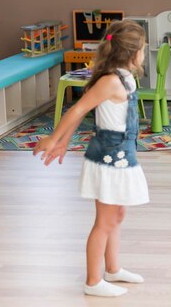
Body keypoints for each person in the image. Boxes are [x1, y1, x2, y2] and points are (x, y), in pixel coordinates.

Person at [33, 20, 149, 296]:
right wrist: (55, 140)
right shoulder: (110, 81)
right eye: (143, 48)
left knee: (117, 214)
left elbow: (84, 112)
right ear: (132, 52)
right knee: (105, 222)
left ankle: (112, 269)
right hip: (108, 159)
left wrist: (65, 143)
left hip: (122, 156)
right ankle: (93, 281)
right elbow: (77, 111)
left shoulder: (124, 77)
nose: (145, 53)